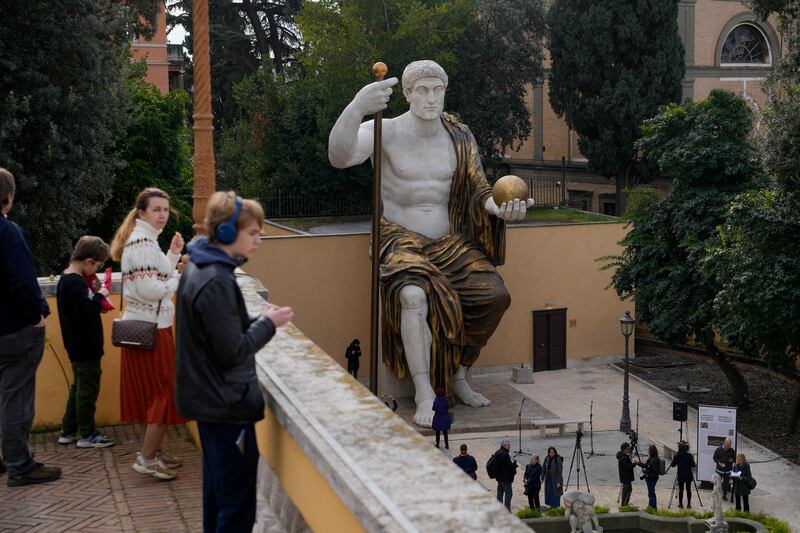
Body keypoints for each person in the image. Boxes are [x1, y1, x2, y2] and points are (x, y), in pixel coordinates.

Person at [329, 60, 533, 427]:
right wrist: (358, 106)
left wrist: (501, 211)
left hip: (450, 244)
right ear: (407, 93)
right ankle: (424, 393)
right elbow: (339, 157)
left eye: (437, 90)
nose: (430, 98)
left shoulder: (459, 135)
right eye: (422, 90)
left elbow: (479, 190)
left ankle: (459, 375)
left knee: (495, 297)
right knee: (413, 298)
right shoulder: (385, 130)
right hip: (400, 241)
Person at [176, 191, 294, 533]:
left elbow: (216, 331)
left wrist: (256, 319)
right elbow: (233, 352)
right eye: (253, 233)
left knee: (217, 497)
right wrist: (269, 324)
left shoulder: (201, 267)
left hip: (210, 403)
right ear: (227, 233)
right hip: (227, 407)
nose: (259, 240)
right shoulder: (216, 280)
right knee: (237, 509)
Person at [110, 187, 185, 480]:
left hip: (148, 328)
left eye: (165, 210)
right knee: (163, 393)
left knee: (151, 395)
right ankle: (147, 458)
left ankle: (152, 451)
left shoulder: (147, 241)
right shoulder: (142, 242)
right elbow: (150, 289)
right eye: (156, 209)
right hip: (151, 330)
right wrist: (179, 277)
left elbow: (157, 274)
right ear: (141, 212)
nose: (163, 215)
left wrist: (174, 253)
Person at [0, 167, 61, 486]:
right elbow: (23, 282)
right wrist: (37, 314)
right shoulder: (8, 233)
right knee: (16, 399)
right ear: (7, 199)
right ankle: (19, 465)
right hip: (13, 330)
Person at [55, 236, 115, 448]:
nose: (96, 269)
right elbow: (86, 312)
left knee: (78, 388)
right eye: (97, 265)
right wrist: (101, 295)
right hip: (86, 347)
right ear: (88, 261)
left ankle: (68, 430)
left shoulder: (66, 279)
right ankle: (87, 434)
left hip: (76, 346)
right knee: (88, 390)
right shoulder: (75, 284)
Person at [669, 441, 696, 509]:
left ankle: (681, 504)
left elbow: (672, 465)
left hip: (681, 475)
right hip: (688, 475)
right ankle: (689, 504)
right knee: (688, 489)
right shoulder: (689, 455)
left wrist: (675, 458)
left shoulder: (677, 456)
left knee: (681, 490)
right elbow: (693, 465)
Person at [494, 440, 518, 510]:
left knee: (500, 494)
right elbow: (509, 467)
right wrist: (514, 466)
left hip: (499, 477)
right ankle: (507, 509)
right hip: (505, 479)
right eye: (508, 445)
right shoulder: (504, 454)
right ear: (504, 446)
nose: (509, 446)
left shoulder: (498, 452)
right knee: (509, 493)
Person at [616, 442, 638, 506]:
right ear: (624, 449)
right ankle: (624, 505)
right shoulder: (624, 458)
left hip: (625, 477)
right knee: (626, 491)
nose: (629, 450)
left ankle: (625, 504)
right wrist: (634, 464)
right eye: (628, 449)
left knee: (628, 490)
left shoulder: (622, 455)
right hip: (626, 477)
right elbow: (628, 467)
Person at [641, 444, 661, 509]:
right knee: (650, 493)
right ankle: (650, 507)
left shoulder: (655, 459)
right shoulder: (651, 458)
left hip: (652, 478)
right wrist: (639, 464)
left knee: (652, 494)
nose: (648, 451)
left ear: (651, 451)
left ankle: (654, 508)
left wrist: (648, 474)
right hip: (650, 478)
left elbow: (654, 470)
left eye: (649, 450)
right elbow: (647, 466)